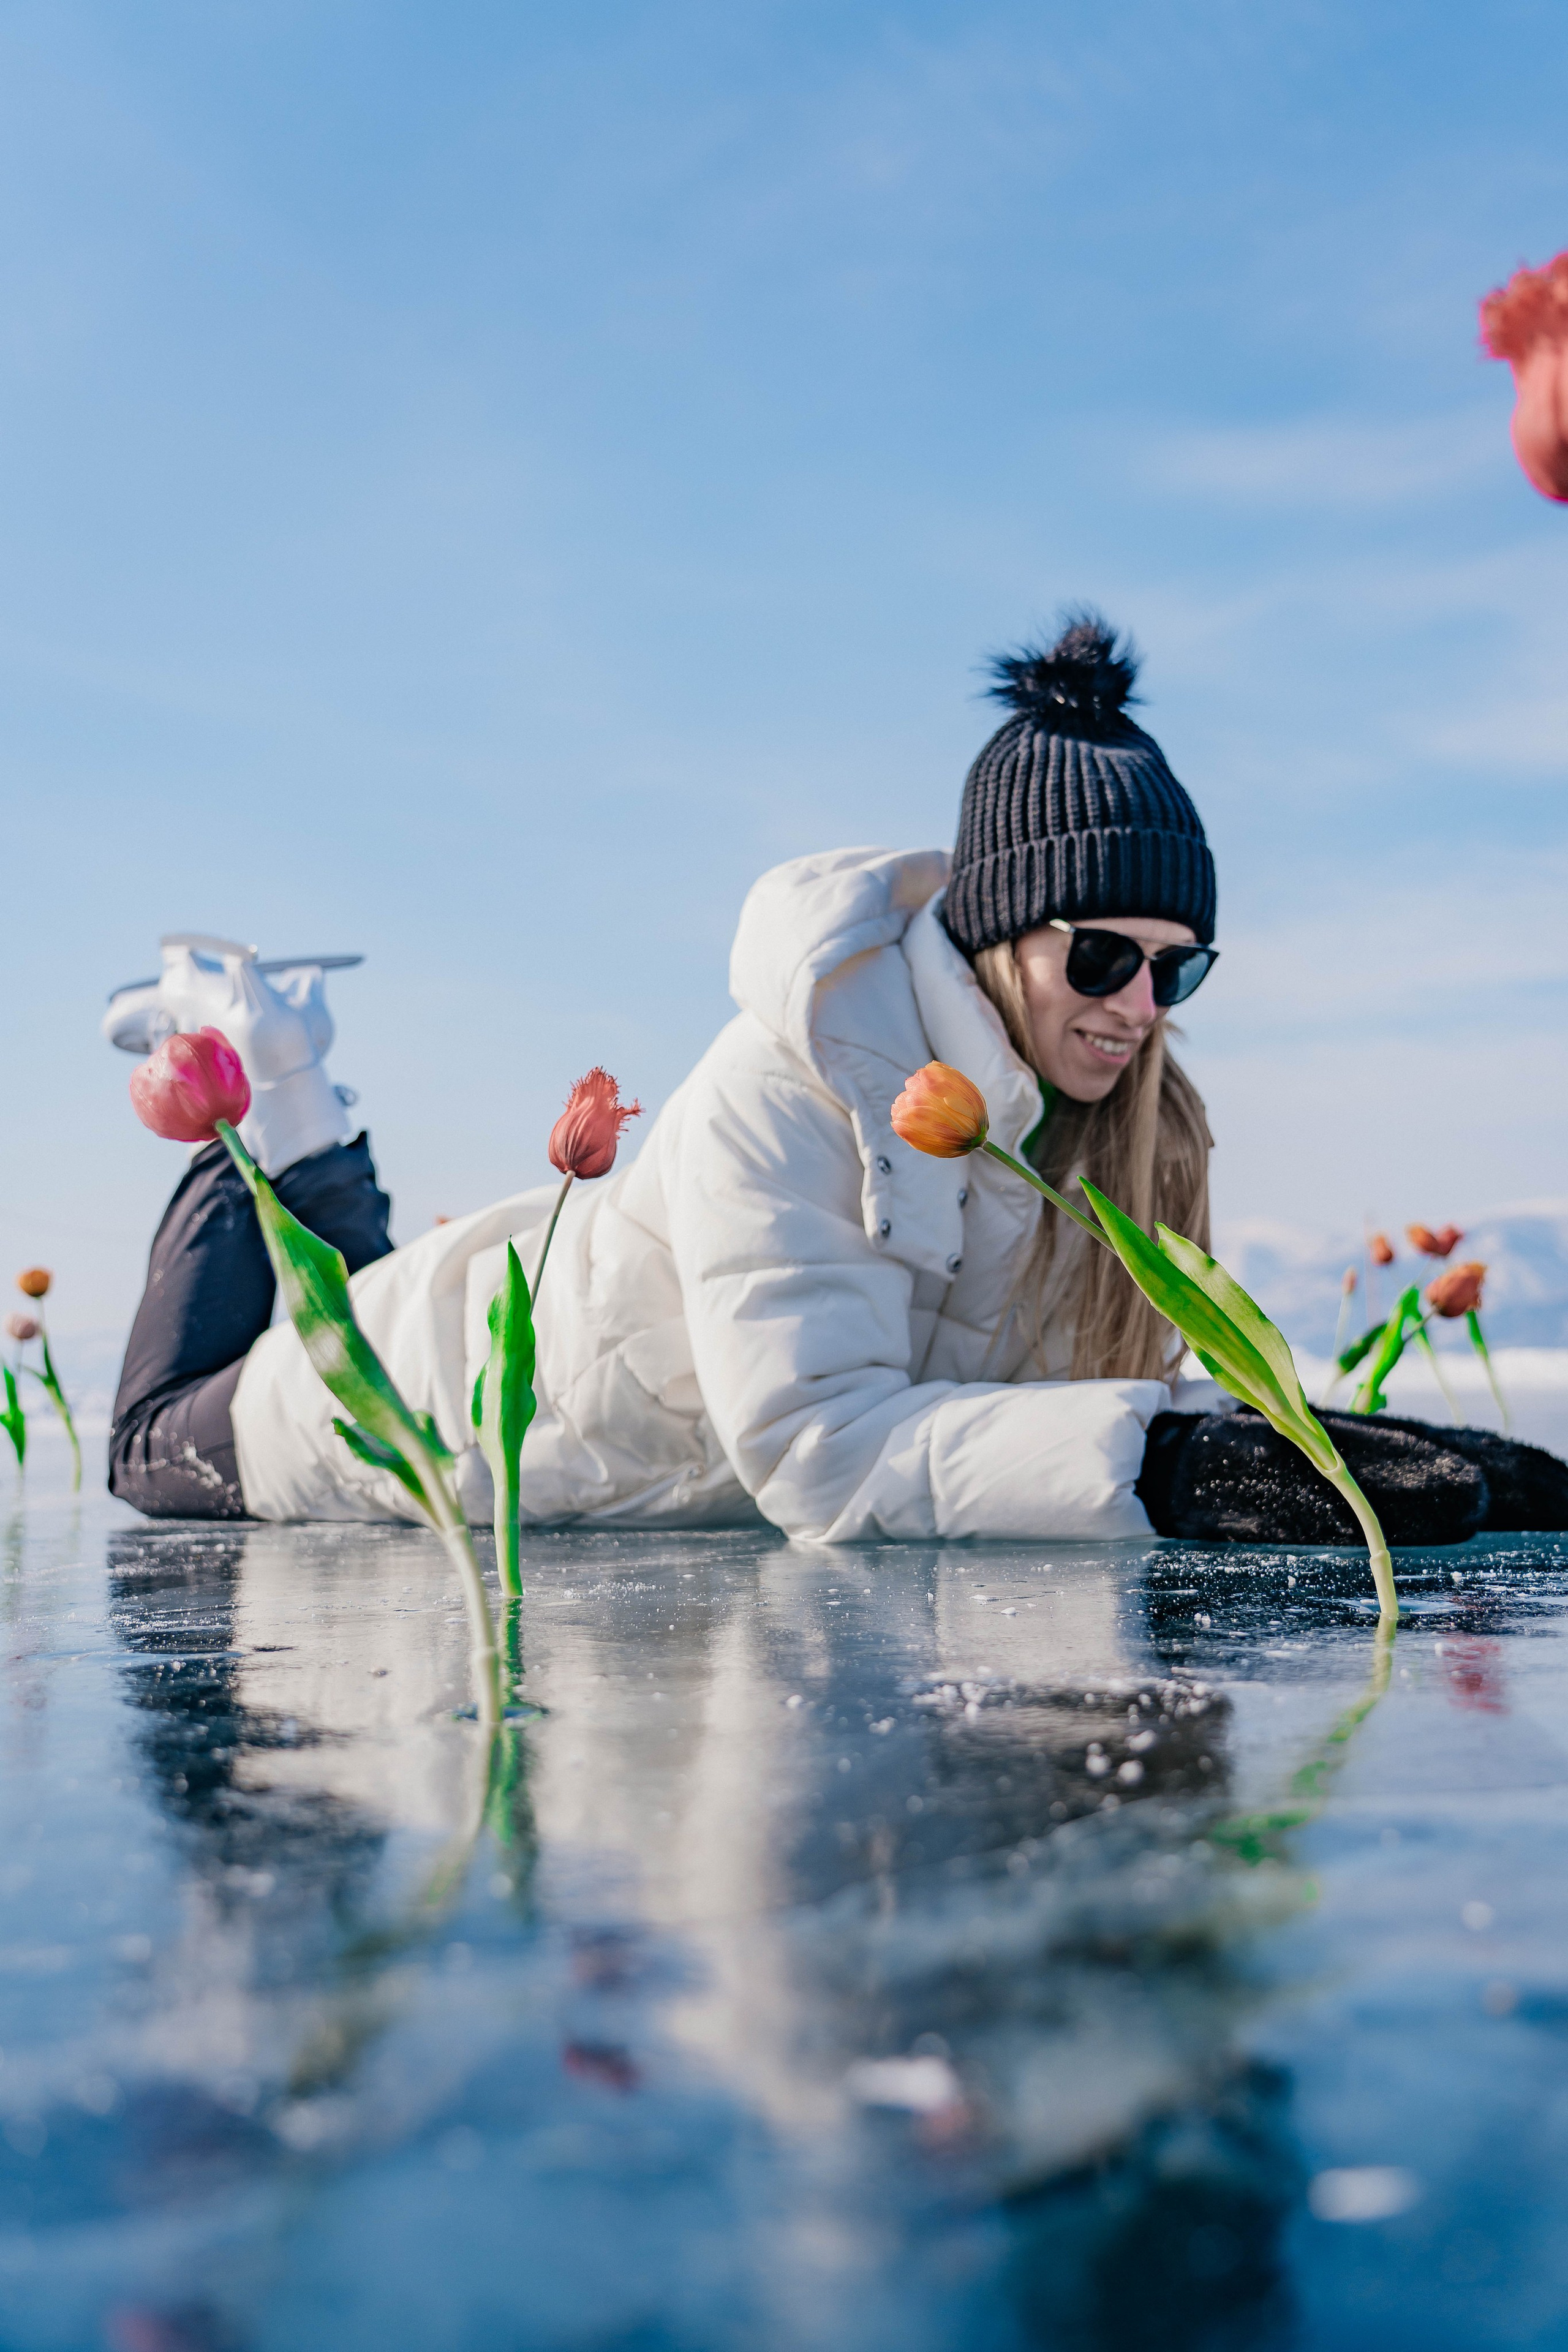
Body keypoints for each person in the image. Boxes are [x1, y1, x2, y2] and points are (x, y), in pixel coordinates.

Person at [108, 612, 1568, 1544]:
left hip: (522, 1361)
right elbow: (818, 1448)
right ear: (1000, 929)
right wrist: (1180, 1475)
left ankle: (297, 1095)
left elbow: (1030, 1404)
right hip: (404, 1422)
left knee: (357, 1279)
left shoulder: (1115, 1127)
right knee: (156, 1436)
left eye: (1176, 970)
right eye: (1104, 957)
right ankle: (274, 1075)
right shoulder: (790, 1078)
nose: (1139, 1009)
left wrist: (1280, 1440)